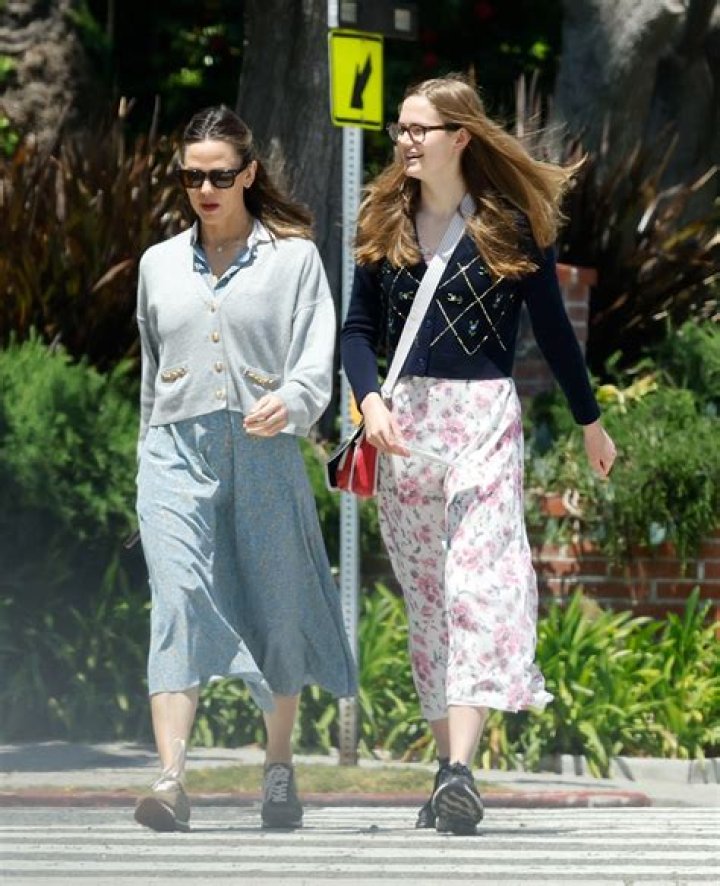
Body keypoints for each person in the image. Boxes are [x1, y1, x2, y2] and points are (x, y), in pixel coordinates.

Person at [340, 74, 616, 836]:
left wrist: (591, 422)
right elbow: (357, 331)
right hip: (405, 429)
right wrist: (369, 403)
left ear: (460, 137)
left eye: (418, 129)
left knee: (477, 586)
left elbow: (554, 333)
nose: (404, 141)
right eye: (400, 129)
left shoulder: (510, 227)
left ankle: (462, 769)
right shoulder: (381, 218)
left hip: (484, 422)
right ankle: (445, 769)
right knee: (430, 601)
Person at [133, 105, 356, 833]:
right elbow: (150, 378)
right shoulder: (158, 264)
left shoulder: (293, 259)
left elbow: (315, 359)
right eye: (191, 177)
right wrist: (144, 470)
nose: (205, 190)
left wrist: (291, 404)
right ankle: (170, 780)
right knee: (177, 602)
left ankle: (279, 765)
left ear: (249, 174)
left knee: (276, 606)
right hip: (174, 454)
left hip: (265, 453)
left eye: (220, 176)